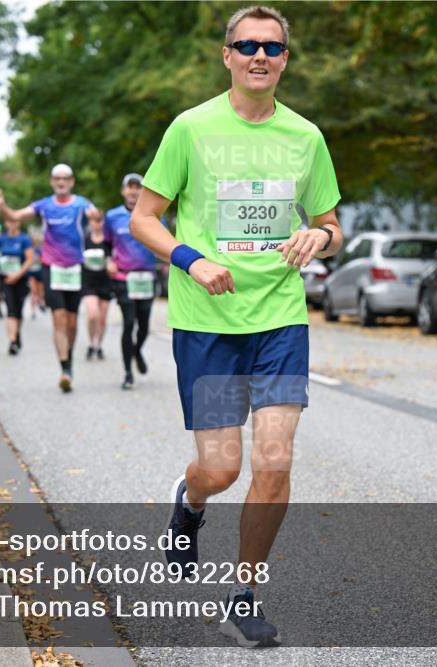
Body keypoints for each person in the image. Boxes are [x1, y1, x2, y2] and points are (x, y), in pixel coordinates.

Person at [129, 5, 343, 648]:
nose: (259, 56)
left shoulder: (306, 138)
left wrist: (317, 236)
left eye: (272, 48)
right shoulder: (190, 129)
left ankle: (244, 593)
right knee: (220, 469)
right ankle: (189, 502)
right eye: (246, 45)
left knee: (275, 459)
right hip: (209, 325)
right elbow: (145, 218)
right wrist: (192, 262)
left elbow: (333, 227)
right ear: (227, 55)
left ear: (284, 60)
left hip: (279, 319)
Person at [0, 163, 102, 392]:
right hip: (51, 267)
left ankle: (68, 357)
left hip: (75, 268)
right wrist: (3, 208)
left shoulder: (81, 203)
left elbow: (96, 214)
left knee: (72, 322)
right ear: (52, 182)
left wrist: (95, 215)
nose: (61, 182)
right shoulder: (43, 205)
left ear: (71, 182)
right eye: (57, 178)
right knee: (59, 318)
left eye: (65, 178)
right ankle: (64, 367)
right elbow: (15, 215)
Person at [105, 173, 166, 389]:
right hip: (124, 277)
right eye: (129, 187)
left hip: (147, 277)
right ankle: (128, 373)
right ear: (123, 191)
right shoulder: (112, 217)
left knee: (144, 326)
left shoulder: (155, 215)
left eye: (138, 187)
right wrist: (107, 261)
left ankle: (137, 350)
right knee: (128, 323)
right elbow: (104, 243)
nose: (133, 191)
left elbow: (164, 242)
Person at [0, 216, 34, 355]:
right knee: (10, 309)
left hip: (21, 279)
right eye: (9, 221)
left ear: (19, 223)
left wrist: (17, 275)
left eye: (15, 221)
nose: (12, 224)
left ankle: (17, 334)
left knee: (19, 310)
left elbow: (30, 259)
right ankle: (12, 341)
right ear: (6, 223)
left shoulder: (24, 239)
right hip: (6, 279)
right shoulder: (1, 239)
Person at [81, 207, 113, 361]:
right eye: (94, 220)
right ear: (90, 222)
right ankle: (91, 342)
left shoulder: (108, 242)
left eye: (100, 220)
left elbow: (114, 259)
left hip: (105, 283)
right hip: (88, 283)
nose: (97, 224)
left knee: (102, 319)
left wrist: (112, 264)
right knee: (92, 314)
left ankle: (98, 345)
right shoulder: (84, 240)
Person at [27, 227, 46, 320]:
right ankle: (33, 311)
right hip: (31, 272)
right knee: (33, 291)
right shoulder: (29, 249)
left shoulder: (41, 249)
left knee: (40, 292)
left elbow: (43, 260)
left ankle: (41, 302)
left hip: (40, 271)